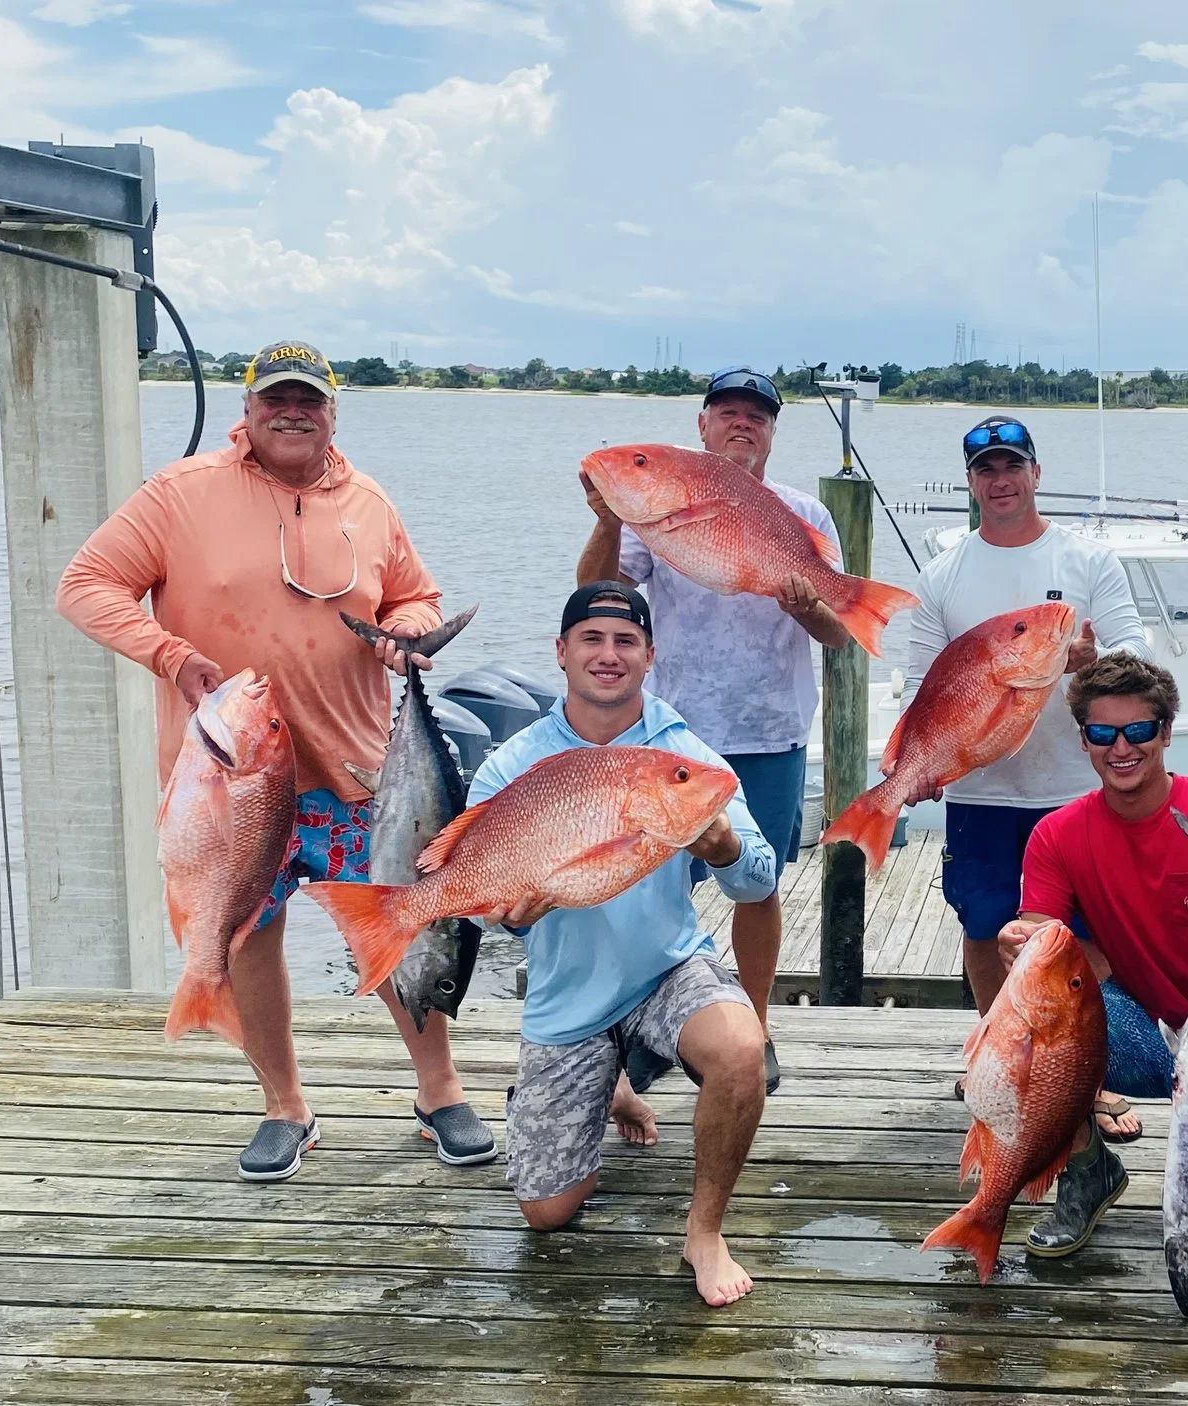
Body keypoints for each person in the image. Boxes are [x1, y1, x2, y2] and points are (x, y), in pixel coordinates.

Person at [56, 340, 494, 1183]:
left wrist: (406, 629)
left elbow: (414, 594)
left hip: (358, 768)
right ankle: (284, 1107)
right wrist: (170, 655)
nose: (292, 412)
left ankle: (439, 1091)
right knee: (246, 933)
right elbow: (86, 584)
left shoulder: (367, 501)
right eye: (275, 399)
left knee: (403, 923)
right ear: (248, 409)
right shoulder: (179, 495)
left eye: (310, 400)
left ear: (332, 410)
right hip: (231, 778)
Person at [470, 582, 776, 1307]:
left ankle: (705, 1232)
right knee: (548, 1213)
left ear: (649, 656)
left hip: (666, 970)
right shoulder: (512, 764)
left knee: (740, 1050)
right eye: (593, 639)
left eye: (626, 641)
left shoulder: (681, 756)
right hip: (567, 998)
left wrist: (727, 846)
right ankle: (612, 1083)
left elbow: (760, 878)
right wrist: (511, 916)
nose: (609, 655)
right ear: (563, 652)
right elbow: (484, 899)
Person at [576, 366, 846, 1092]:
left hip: (770, 731)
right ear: (701, 427)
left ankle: (751, 1029)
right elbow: (596, 595)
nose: (741, 425)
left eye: (756, 416)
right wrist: (608, 519)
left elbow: (839, 631)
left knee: (756, 887)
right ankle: (642, 1025)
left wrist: (807, 606)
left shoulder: (805, 517)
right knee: (647, 885)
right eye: (726, 412)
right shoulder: (657, 506)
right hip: (669, 735)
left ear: (772, 433)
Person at [995, 654, 1188, 1273]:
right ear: (1083, 739)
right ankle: (1088, 1170)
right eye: (1103, 734)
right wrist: (1020, 946)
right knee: (1039, 1013)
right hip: (1147, 1034)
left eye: (1138, 731)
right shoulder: (1057, 835)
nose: (1121, 748)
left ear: (1165, 731)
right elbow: (1042, 945)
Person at [902, 416, 1148, 1028]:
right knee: (984, 926)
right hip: (977, 790)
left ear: (1036, 473)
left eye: (1013, 465)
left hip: (1075, 788)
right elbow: (919, 687)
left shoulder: (1088, 560)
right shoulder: (942, 575)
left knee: (1085, 932)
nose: (1001, 479)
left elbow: (1137, 649)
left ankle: (1083, 1074)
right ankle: (996, 1054)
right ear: (970, 484)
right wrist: (917, 763)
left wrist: (1097, 664)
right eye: (986, 470)